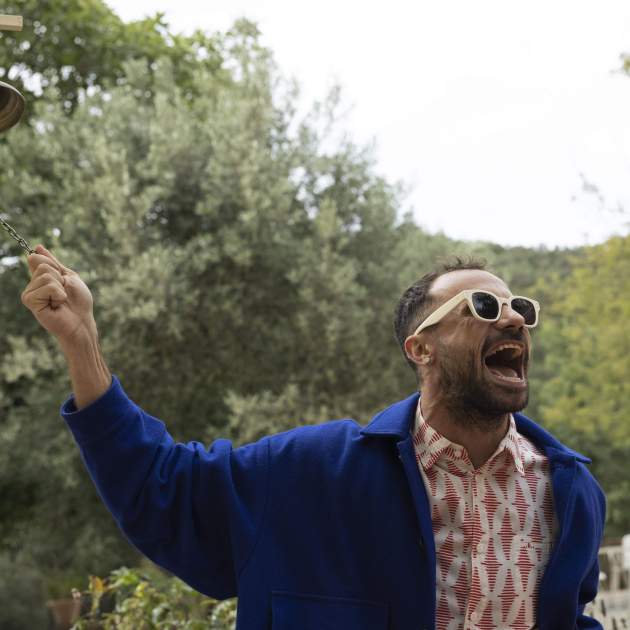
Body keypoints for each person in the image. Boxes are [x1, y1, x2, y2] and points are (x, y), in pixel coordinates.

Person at [22, 244, 605, 630]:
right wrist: (82, 344)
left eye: (519, 307)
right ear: (421, 349)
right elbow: (163, 490)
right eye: (482, 306)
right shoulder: (305, 473)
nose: (512, 319)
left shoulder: (572, 492)